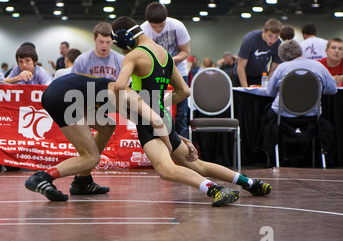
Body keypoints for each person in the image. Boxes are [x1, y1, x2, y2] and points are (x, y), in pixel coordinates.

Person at [111, 16, 271, 206]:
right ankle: (250, 183)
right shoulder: (164, 54)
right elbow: (184, 91)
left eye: (118, 44)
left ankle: (215, 190)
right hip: (163, 117)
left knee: (166, 170)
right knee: (197, 165)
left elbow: (119, 86)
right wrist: (159, 102)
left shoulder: (134, 56)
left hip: (150, 122)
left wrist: (141, 104)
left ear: (124, 38)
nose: (121, 50)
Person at [24, 73, 167, 201]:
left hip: (65, 93)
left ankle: (82, 181)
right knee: (91, 157)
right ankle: (43, 177)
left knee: (107, 126)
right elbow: (153, 122)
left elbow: (144, 123)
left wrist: (177, 138)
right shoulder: (128, 96)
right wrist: (172, 142)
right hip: (63, 97)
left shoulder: (119, 95)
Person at [141, 2, 191, 138]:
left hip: (178, 71)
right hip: (153, 74)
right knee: (153, 110)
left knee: (181, 113)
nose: (157, 29)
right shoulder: (143, 30)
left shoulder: (178, 26)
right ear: (148, 22)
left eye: (161, 25)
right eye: (154, 26)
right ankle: (156, 143)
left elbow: (185, 52)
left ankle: (184, 151)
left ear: (166, 19)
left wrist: (168, 61)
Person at [234, 18, 283, 87]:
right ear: (264, 31)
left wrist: (267, 88)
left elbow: (272, 70)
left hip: (260, 76)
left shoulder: (278, 44)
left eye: (276, 37)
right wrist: (246, 89)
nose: (272, 40)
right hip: (242, 75)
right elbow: (241, 67)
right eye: (270, 36)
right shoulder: (250, 39)